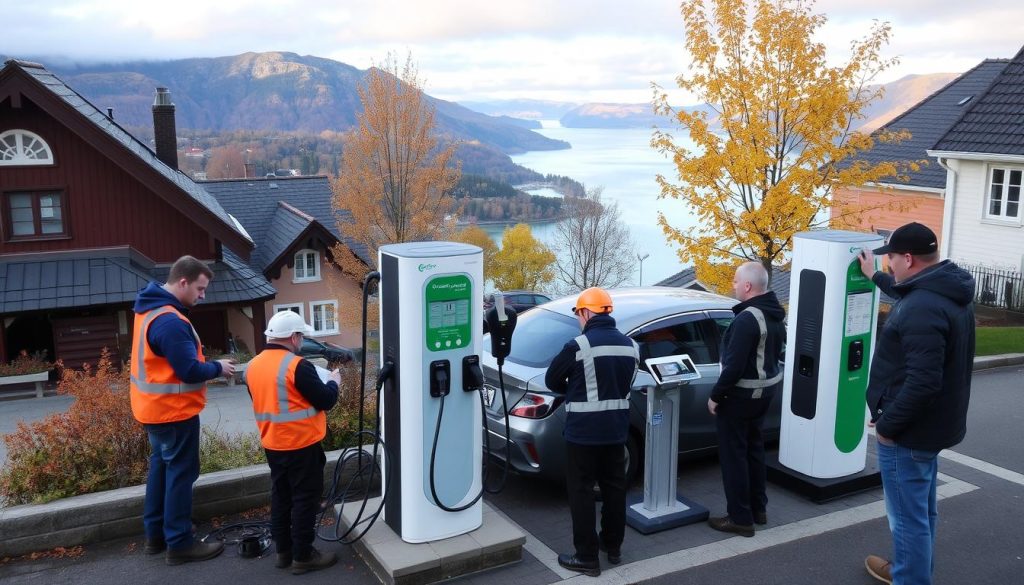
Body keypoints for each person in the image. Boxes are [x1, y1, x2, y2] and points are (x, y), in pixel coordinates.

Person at [858, 222, 975, 585]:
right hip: (934, 426)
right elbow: (909, 293)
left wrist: (889, 427)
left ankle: (910, 577)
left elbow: (923, 382)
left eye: (891, 258)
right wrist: (875, 276)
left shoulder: (922, 308)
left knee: (908, 518)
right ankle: (911, 568)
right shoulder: (944, 288)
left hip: (909, 433)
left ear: (908, 258)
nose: (890, 264)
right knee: (921, 512)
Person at [130, 255, 236, 565]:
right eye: (200, 289)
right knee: (180, 473)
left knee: (161, 469)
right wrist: (218, 367)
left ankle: (156, 536)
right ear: (183, 282)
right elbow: (188, 370)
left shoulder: (148, 309)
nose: (202, 296)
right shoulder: (170, 322)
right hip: (173, 412)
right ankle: (179, 543)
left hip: (153, 410)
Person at [545, 287, 639, 577]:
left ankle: (586, 556)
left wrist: (573, 391)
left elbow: (552, 380)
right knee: (614, 488)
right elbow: (627, 382)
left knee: (582, 492)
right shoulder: (631, 346)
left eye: (578, 314)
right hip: (616, 431)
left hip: (583, 434)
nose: (578, 320)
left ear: (585, 312)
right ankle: (613, 547)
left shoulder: (578, 346)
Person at [245, 310, 340, 575]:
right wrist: (334, 383)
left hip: (273, 443)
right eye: (301, 336)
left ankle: (283, 552)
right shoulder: (298, 366)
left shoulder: (253, 366)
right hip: (302, 444)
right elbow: (326, 400)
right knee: (304, 499)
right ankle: (303, 556)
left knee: (281, 496)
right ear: (294, 337)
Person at [707, 262, 785, 537]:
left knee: (734, 456)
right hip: (764, 393)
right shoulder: (774, 313)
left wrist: (716, 396)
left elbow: (734, 365)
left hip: (740, 397)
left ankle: (740, 518)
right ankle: (757, 508)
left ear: (748, 286)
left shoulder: (747, 319)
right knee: (754, 449)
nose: (733, 285)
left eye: (736, 281)